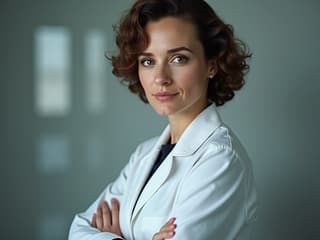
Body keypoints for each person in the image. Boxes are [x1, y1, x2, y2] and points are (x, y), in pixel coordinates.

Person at [68, 0, 257, 239]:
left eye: (178, 58)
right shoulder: (144, 155)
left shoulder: (221, 159)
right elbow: (78, 230)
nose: (160, 78)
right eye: (148, 61)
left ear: (212, 64)